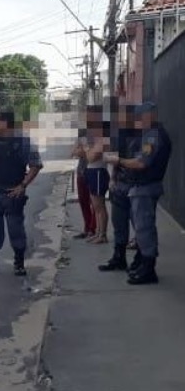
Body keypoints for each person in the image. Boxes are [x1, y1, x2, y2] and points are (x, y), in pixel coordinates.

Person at [105, 102, 171, 284]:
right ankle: (142, 264)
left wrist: (118, 161)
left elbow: (142, 163)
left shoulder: (153, 136)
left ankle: (148, 269)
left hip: (145, 186)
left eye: (140, 117)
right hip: (138, 185)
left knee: (144, 228)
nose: (138, 121)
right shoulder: (147, 133)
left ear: (149, 115)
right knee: (138, 227)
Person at [0, 111, 44, 276]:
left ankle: (19, 263)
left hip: (13, 194)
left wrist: (23, 185)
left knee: (16, 229)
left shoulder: (23, 141)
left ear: (6, 123)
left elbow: (36, 165)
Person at [99, 103, 139, 272]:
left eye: (124, 116)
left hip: (137, 186)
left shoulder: (142, 135)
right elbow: (114, 157)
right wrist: (113, 179)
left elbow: (142, 162)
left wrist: (117, 162)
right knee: (119, 225)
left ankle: (141, 262)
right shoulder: (119, 134)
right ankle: (119, 258)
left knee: (140, 225)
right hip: (120, 184)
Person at [71, 107, 99, 239]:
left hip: (94, 170)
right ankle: (87, 227)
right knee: (83, 201)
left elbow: (92, 154)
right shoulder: (82, 132)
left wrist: (83, 151)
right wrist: (83, 151)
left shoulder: (99, 133)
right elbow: (74, 151)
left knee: (95, 202)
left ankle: (93, 229)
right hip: (82, 170)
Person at [83, 115, 111, 244]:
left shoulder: (102, 141)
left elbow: (90, 157)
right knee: (95, 205)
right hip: (91, 171)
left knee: (100, 205)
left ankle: (103, 234)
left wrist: (87, 149)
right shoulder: (94, 142)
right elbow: (86, 154)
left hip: (98, 172)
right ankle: (99, 232)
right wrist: (87, 149)